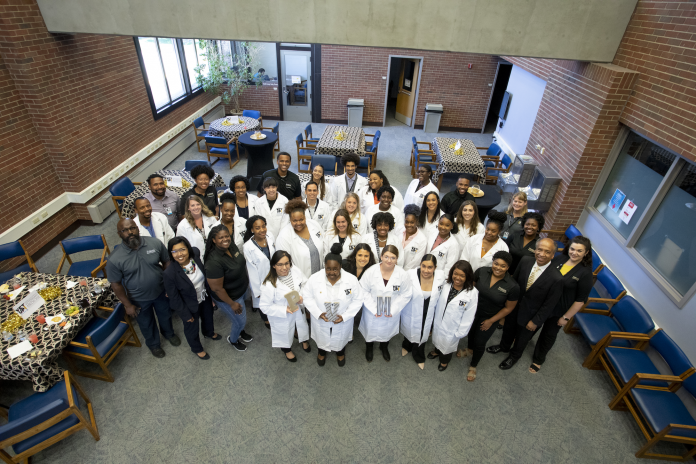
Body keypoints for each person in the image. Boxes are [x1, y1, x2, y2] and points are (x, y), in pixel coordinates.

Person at [106, 218, 180, 358]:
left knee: (165, 316)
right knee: (146, 323)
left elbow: (166, 261)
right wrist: (127, 305)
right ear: (119, 234)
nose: (130, 232)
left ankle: (169, 334)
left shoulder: (154, 243)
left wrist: (169, 285)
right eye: (125, 230)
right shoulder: (115, 258)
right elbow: (116, 284)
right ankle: (154, 345)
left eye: (132, 228)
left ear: (137, 228)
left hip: (160, 292)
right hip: (138, 299)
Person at [488, 238, 563, 371]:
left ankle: (514, 356)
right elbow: (513, 283)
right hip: (514, 307)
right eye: (539, 249)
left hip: (531, 315)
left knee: (522, 339)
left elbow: (549, 305)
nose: (542, 254)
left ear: (552, 255)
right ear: (535, 249)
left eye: (547, 252)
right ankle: (503, 347)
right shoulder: (525, 261)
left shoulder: (557, 278)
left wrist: (536, 321)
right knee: (508, 330)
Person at [530, 236, 593, 374]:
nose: (574, 253)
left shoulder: (585, 273)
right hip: (544, 302)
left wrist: (565, 317)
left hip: (559, 310)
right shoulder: (560, 258)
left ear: (586, 252)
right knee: (532, 325)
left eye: (579, 251)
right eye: (572, 249)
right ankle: (520, 345)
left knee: (548, 334)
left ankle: (538, 359)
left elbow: (580, 300)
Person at [458, 251, 519, 382]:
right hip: (472, 312)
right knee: (470, 333)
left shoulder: (513, 286)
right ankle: (469, 349)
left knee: (480, 342)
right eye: (496, 263)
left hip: (490, 318)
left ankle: (473, 365)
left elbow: (509, 308)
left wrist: (491, 321)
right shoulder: (481, 271)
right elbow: (470, 289)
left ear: (508, 267)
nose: (498, 267)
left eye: (503, 266)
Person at [303, 244, 364, 367]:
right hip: (321, 317)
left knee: (340, 338)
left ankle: (340, 352)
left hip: (341, 318)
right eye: (328, 269)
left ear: (340, 267)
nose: (331, 272)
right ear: (324, 267)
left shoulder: (351, 280)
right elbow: (307, 296)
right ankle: (321, 352)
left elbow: (358, 299)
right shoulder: (315, 279)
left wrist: (345, 316)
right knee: (322, 337)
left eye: (335, 269)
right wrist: (318, 313)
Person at [163, 237, 220, 360]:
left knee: (208, 317)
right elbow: (174, 298)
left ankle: (209, 333)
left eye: (182, 249)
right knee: (192, 328)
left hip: (204, 297)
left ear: (188, 249)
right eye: (175, 251)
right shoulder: (169, 273)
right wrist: (185, 314)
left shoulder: (195, 255)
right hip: (188, 305)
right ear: (171, 254)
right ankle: (197, 348)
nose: (179, 254)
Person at [359, 245, 413, 362]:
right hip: (372, 309)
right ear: (381, 256)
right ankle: (369, 348)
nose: (389, 260)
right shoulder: (371, 271)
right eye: (386, 257)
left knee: (386, 331)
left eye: (393, 258)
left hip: (391, 309)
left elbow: (406, 294)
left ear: (397, 259)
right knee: (370, 331)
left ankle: (384, 347)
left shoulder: (402, 275)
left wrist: (393, 309)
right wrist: (374, 309)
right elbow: (363, 290)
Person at [204, 225, 253, 351]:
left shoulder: (231, 246)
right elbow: (217, 289)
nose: (225, 239)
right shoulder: (213, 262)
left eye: (227, 236)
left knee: (240, 319)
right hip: (230, 297)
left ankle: (240, 331)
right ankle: (233, 339)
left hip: (241, 289)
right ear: (214, 240)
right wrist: (232, 304)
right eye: (221, 237)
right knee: (240, 321)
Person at [259, 251, 311, 362]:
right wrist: (284, 310)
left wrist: (301, 295)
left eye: (287, 263)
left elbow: (306, 284)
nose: (284, 267)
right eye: (280, 264)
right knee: (285, 334)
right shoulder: (268, 284)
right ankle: (287, 350)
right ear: (273, 265)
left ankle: (303, 340)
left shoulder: (295, 270)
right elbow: (264, 306)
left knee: (302, 325)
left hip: (298, 307)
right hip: (282, 315)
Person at [427, 260, 478, 372]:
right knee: (437, 338)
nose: (457, 278)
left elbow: (469, 315)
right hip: (439, 320)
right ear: (451, 273)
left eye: (462, 275)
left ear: (468, 276)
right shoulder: (446, 285)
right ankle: (436, 351)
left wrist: (461, 332)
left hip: (453, 326)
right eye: (455, 274)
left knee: (447, 346)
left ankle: (444, 361)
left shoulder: (472, 293)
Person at [400, 254, 446, 369]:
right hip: (411, 310)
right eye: (423, 266)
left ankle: (419, 355)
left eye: (430, 267)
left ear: (435, 267)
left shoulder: (441, 277)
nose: (426, 270)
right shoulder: (410, 275)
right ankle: (407, 346)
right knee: (408, 330)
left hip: (428, 312)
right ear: (420, 265)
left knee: (422, 334)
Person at [275, 199, 325, 279]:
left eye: (301, 219)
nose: (298, 223)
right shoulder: (284, 236)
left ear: (305, 217)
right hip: (300, 280)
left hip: (320, 276)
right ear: (290, 219)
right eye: (294, 220)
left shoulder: (314, 225)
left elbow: (324, 245)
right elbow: (284, 264)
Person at [242, 215, 274, 329]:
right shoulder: (248, 247)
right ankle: (266, 320)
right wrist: (257, 290)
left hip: (275, 277)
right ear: (252, 230)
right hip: (261, 280)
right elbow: (251, 271)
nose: (262, 230)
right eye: (257, 228)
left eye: (263, 226)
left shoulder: (270, 237)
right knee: (264, 302)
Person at [176, 195, 220, 262]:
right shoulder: (182, 225)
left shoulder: (211, 218)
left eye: (198, 204)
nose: (196, 207)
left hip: (214, 257)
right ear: (188, 208)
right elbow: (180, 246)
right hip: (195, 259)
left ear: (201, 205)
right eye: (192, 205)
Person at [400, 205, 428, 271]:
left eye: (412, 222)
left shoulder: (422, 239)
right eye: (406, 222)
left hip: (409, 272)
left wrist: (403, 272)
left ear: (417, 221)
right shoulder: (398, 231)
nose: (409, 225)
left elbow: (416, 261)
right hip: (394, 269)